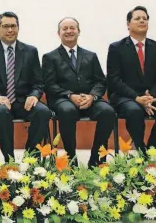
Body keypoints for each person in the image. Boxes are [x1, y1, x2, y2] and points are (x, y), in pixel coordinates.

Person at [0, 11, 51, 162]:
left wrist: (34, 95)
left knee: (43, 112)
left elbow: (39, 82)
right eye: (5, 26)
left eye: (13, 26)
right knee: (0, 112)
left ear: (18, 28)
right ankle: (9, 159)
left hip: (23, 101)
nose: (10, 30)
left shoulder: (30, 51)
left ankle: (30, 158)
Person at [42, 17, 115, 166]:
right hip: (63, 100)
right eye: (65, 29)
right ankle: (71, 159)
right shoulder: (50, 57)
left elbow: (101, 81)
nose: (69, 31)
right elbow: (49, 84)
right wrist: (70, 95)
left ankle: (96, 159)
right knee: (67, 110)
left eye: (72, 28)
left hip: (89, 99)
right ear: (58, 33)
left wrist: (92, 96)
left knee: (108, 111)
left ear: (78, 31)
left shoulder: (90, 56)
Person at [107, 6, 156, 152]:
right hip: (125, 97)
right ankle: (140, 148)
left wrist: (150, 96)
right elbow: (114, 79)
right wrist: (137, 97)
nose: (142, 21)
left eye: (145, 19)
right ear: (128, 24)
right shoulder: (116, 48)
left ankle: (153, 148)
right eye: (137, 18)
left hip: (152, 96)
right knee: (134, 111)